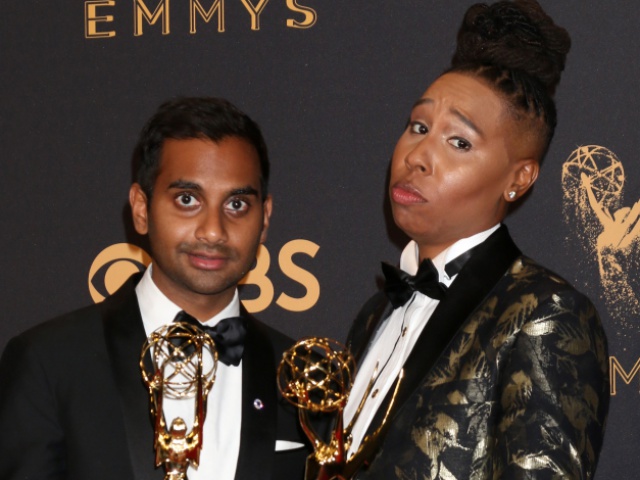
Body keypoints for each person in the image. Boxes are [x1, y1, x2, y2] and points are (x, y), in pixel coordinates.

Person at [343, 1, 609, 478]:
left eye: (459, 142)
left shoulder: (544, 314)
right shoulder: (373, 315)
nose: (418, 156)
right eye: (419, 127)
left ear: (519, 178)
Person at [0, 97, 308, 480]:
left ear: (265, 218)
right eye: (187, 200)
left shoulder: (300, 376)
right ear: (141, 209)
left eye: (237, 204)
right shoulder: (49, 363)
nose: (213, 231)